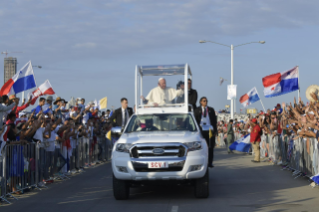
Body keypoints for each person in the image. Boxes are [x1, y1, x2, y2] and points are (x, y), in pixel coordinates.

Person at [194, 97, 217, 168]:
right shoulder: (197, 110)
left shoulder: (210, 109)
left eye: (206, 101)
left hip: (209, 129)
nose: (205, 102)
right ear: (201, 102)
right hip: (201, 129)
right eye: (204, 101)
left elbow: (214, 121)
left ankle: (210, 162)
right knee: (201, 146)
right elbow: (195, 119)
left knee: (210, 146)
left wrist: (215, 131)